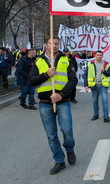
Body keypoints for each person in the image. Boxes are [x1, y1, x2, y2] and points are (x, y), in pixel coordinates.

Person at [29, 37, 78, 175]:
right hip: (45, 103)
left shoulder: (66, 60)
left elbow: (73, 80)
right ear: (46, 45)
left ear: (59, 45)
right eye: (51, 43)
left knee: (67, 130)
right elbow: (31, 81)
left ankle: (69, 148)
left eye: (56, 43)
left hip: (62, 101)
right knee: (51, 135)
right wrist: (46, 75)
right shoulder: (39, 61)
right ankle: (59, 161)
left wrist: (61, 95)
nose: (54, 46)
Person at [84, 50, 110, 123]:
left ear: (102, 56)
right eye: (98, 55)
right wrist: (86, 85)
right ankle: (96, 115)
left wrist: (104, 71)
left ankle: (106, 117)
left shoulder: (106, 64)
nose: (99, 56)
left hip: (103, 86)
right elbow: (85, 75)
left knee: (105, 101)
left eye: (100, 55)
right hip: (94, 86)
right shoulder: (90, 64)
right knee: (95, 101)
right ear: (95, 56)